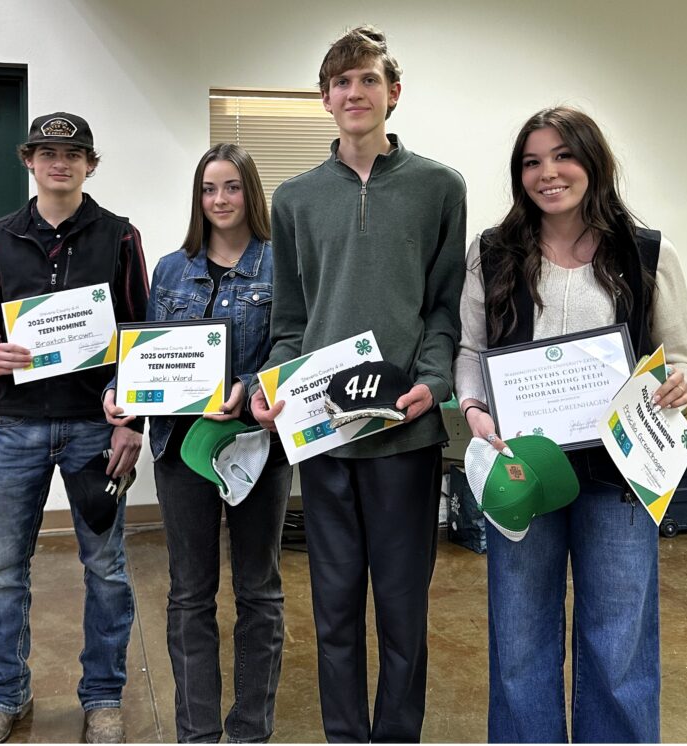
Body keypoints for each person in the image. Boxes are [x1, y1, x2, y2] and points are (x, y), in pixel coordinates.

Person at [453, 106, 687, 743]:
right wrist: (475, 406)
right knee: (519, 641)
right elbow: (471, 351)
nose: (549, 173)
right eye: (532, 162)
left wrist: (684, 383)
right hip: (522, 471)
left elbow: (682, 356)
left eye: (563, 156)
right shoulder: (492, 253)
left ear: (592, 162)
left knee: (619, 645)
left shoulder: (647, 253)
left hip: (620, 476)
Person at [251, 26, 467, 743]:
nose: (353, 92)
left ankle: (398, 734)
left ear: (392, 93)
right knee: (335, 607)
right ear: (324, 99)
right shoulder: (295, 198)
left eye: (367, 80)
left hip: (406, 431)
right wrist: (272, 387)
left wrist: (434, 380)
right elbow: (289, 321)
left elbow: (443, 305)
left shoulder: (440, 187)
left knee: (403, 610)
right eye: (340, 83)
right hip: (324, 436)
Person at [0, 112, 149, 744]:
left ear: (90, 164)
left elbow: (140, 338)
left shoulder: (120, 237)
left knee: (108, 570)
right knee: (5, 569)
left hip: (97, 428)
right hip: (15, 426)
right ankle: (3, 697)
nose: (59, 162)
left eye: (73, 153)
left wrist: (133, 422)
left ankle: (102, 698)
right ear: (29, 162)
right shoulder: (0, 236)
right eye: (46, 152)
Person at [104, 143, 293, 743]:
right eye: (209, 189)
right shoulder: (170, 269)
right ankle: (198, 733)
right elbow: (151, 353)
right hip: (180, 452)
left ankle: (249, 730)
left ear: (251, 192)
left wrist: (247, 385)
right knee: (189, 594)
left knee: (259, 590)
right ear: (198, 197)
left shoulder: (280, 265)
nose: (220, 200)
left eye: (232, 187)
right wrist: (121, 394)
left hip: (255, 448)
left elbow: (293, 346)